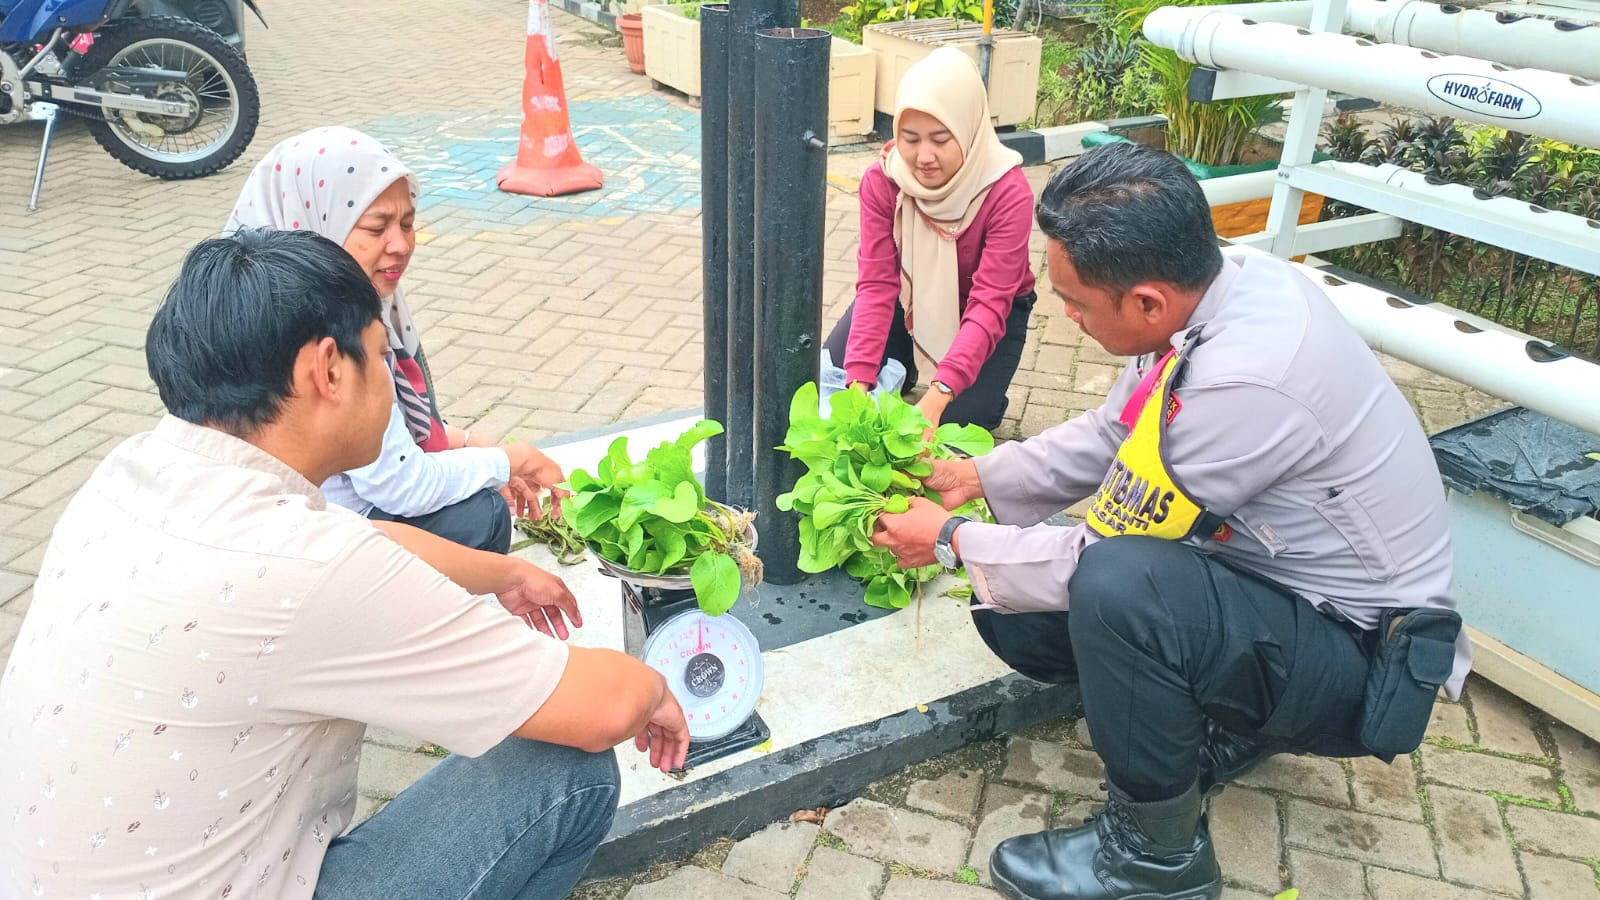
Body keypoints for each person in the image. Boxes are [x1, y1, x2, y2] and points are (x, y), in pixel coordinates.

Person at [0, 229, 689, 899]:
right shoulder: (312, 572)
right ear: (327, 369)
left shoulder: (134, 472)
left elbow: (359, 541)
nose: (390, 380)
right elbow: (596, 711)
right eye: (381, 357)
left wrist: (504, 574)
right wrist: (652, 687)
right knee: (568, 770)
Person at [870, 142, 1470, 900]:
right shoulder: (1220, 293)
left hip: (1370, 664)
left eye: (1078, 303)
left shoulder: (1245, 378)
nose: (1068, 317)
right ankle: (1223, 730)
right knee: (1018, 614)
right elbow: (1117, 433)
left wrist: (950, 541)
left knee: (1120, 587)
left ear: (1146, 300)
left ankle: (1155, 861)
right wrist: (975, 477)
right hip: (1294, 605)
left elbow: (1105, 553)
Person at [226, 126, 563, 554]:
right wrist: (512, 460)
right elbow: (399, 484)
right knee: (481, 514)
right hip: (315, 538)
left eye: (407, 223)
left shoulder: (253, 305)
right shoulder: (330, 332)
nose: (401, 244)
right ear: (316, 223)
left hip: (274, 527)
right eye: (375, 226)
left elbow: (391, 436)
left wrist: (472, 446)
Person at [822, 47, 1036, 431]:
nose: (923, 157)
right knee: (840, 371)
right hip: (910, 295)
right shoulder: (884, 180)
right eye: (910, 138)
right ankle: (903, 365)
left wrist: (938, 396)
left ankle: (972, 384)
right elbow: (876, 285)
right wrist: (858, 382)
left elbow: (990, 302)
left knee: (965, 422)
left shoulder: (1007, 191)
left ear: (968, 128)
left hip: (989, 306)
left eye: (940, 139)